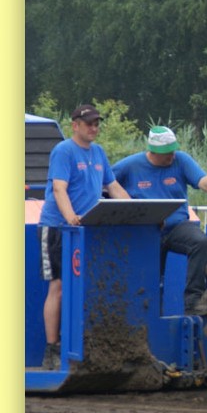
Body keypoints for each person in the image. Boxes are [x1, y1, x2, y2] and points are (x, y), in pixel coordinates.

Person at [38, 104, 131, 370]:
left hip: (87, 230)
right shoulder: (64, 151)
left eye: (97, 123)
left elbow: (113, 186)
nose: (94, 128)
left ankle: (86, 345)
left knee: (87, 286)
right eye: (89, 123)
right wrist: (70, 217)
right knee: (58, 286)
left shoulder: (99, 152)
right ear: (75, 125)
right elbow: (59, 189)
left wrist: (136, 210)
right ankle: (52, 349)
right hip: (58, 228)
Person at [112, 126, 207, 315]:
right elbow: (106, 182)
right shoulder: (130, 166)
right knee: (150, 278)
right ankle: (147, 314)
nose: (172, 156)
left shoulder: (181, 160)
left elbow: (204, 182)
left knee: (200, 242)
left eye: (173, 150)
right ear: (153, 151)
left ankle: (193, 301)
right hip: (147, 230)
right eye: (167, 153)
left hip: (176, 226)